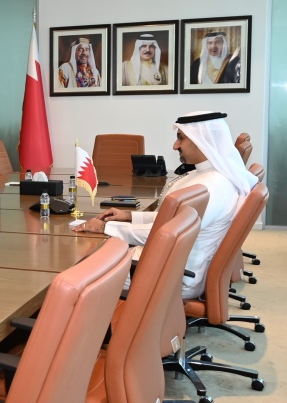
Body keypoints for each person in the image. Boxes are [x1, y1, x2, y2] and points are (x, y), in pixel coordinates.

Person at [72, 111, 257, 298]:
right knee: (95, 256)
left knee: (77, 272)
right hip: (168, 263)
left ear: (201, 140)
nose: (175, 146)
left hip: (170, 274)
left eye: (181, 138)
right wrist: (129, 216)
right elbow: (172, 218)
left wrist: (105, 227)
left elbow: (166, 235)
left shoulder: (209, 187)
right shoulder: (208, 176)